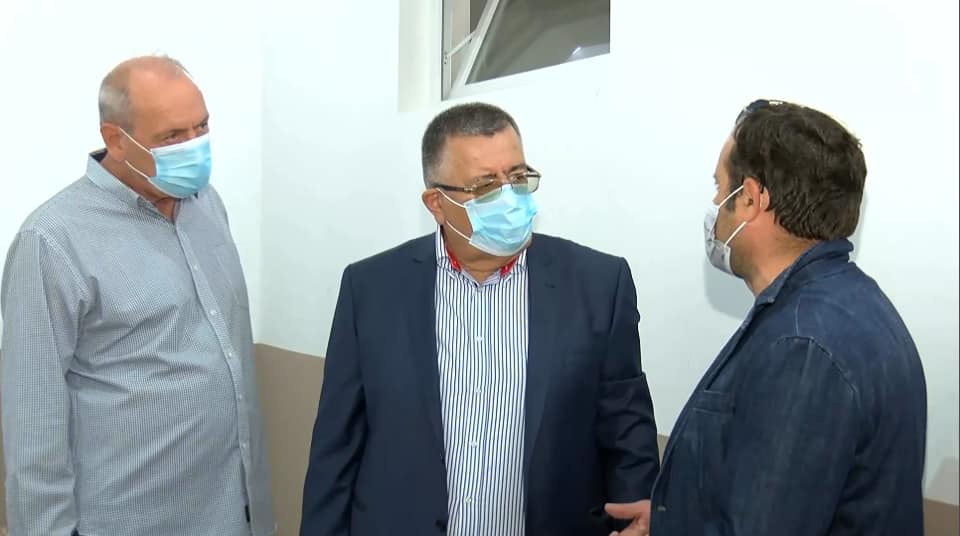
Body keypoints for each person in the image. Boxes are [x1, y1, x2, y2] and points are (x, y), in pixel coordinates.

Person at [300, 102, 660, 536]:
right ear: (437, 203)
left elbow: (627, 431)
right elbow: (336, 447)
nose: (509, 197)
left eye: (518, 177)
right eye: (486, 185)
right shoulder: (371, 289)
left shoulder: (598, 285)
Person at [0, 55, 275, 536]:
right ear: (115, 139)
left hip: (227, 513)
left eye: (201, 127)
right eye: (172, 136)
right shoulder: (52, 240)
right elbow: (32, 423)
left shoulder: (208, 207)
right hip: (127, 519)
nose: (194, 147)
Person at [631, 99, 926, 535]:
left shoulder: (803, 345)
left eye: (719, 187)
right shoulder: (848, 305)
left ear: (750, 199)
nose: (715, 203)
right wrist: (669, 522)